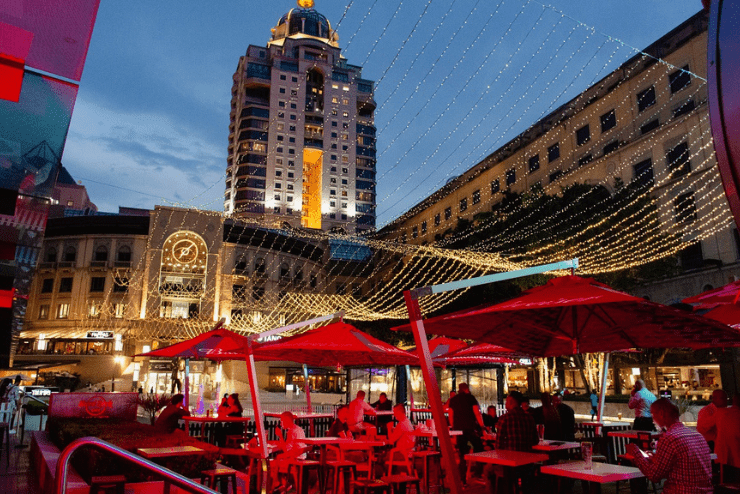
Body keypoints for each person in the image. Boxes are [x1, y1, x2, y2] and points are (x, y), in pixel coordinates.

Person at [627, 398, 712, 494]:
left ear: (662, 414)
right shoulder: (698, 436)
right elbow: (683, 465)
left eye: (653, 414)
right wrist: (655, 458)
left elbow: (654, 475)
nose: (652, 420)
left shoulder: (669, 438)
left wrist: (636, 453)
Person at [448, 383, 486, 483]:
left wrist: (453, 427)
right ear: (466, 389)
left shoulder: (453, 400)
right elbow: (476, 412)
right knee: (480, 448)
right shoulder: (471, 398)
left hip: (459, 430)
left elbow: (450, 415)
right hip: (470, 428)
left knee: (462, 454)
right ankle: (478, 473)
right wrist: (482, 426)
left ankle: (463, 479)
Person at [270, 411, 308, 493]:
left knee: (270, 464)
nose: (280, 424)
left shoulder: (291, 432)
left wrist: (280, 435)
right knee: (278, 458)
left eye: (281, 421)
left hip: (295, 460)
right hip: (301, 457)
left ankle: (280, 484)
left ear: (287, 420)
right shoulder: (298, 429)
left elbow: (286, 450)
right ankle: (283, 484)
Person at [714, 394, 740, 483]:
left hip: (723, 456)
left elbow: (702, 427)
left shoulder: (721, 413)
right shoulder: (722, 413)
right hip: (734, 457)